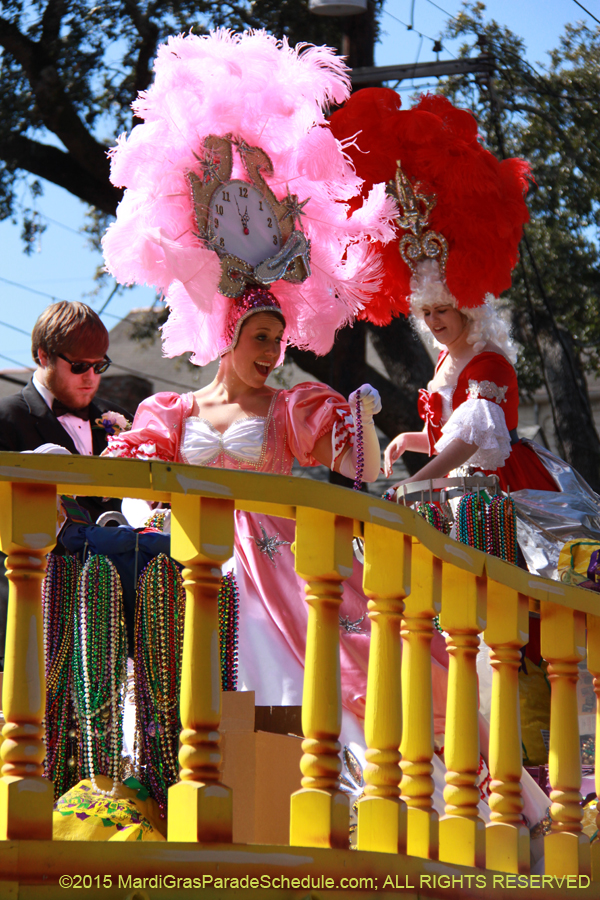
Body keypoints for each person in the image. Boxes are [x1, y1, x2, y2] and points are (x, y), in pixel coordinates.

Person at [382, 263, 559, 493]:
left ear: (465, 309)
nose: (433, 320)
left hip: (501, 486)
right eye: (426, 312)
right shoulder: (445, 358)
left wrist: (415, 484)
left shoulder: (489, 360)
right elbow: (448, 440)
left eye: (442, 309)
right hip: (458, 486)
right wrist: (407, 440)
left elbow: (469, 441)